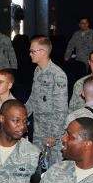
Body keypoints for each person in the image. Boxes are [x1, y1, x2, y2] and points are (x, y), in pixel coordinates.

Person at [25, 36, 68, 164]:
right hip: (38, 130)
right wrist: (21, 114)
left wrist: (54, 135)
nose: (30, 54)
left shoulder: (58, 75)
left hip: (52, 133)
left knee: (54, 169)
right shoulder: (37, 71)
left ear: (43, 52)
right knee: (37, 166)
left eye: (33, 51)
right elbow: (33, 99)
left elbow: (61, 109)